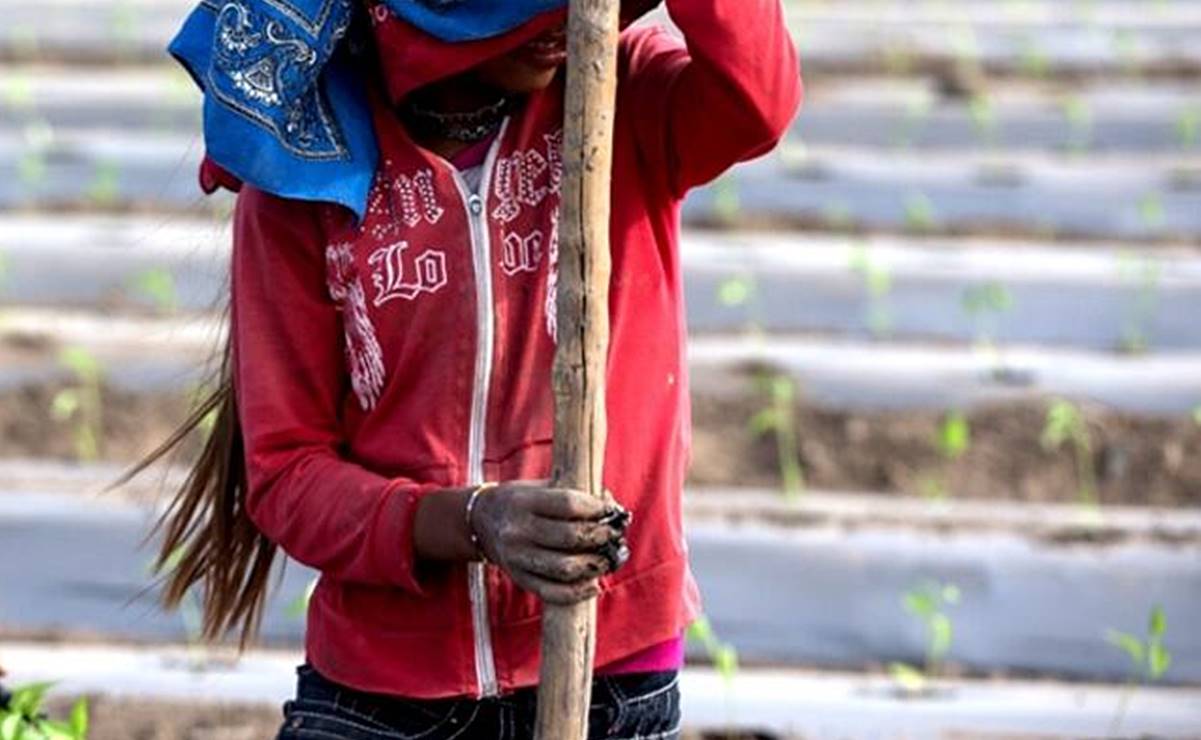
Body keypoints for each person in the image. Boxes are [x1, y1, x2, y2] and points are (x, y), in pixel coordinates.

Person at [138, 0, 801, 736]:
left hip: (608, 678)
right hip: (384, 695)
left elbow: (757, 104)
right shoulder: (301, 170)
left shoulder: (622, 96)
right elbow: (288, 472)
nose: (557, 21)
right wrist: (472, 520)